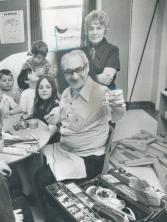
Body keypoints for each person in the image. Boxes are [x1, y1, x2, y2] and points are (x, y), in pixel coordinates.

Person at [34, 50, 126, 222]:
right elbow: (69, 115)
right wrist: (58, 112)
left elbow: (117, 115)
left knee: (39, 178)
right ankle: (59, 202)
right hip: (66, 149)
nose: (75, 76)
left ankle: (60, 217)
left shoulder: (101, 92)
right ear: (64, 73)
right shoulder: (67, 92)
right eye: (69, 72)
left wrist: (119, 106)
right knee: (35, 156)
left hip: (88, 158)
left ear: (87, 67)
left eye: (79, 69)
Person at [83, 10, 120, 90]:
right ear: (86, 31)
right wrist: (97, 78)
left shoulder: (112, 50)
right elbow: (75, 78)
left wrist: (85, 78)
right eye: (91, 29)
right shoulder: (82, 52)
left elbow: (106, 79)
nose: (94, 32)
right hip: (85, 95)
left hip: (106, 95)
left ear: (105, 30)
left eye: (99, 28)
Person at [33, 75, 60, 143]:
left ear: (53, 89)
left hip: (50, 144)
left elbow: (48, 134)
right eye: (41, 87)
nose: (44, 90)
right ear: (37, 90)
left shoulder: (56, 107)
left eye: (48, 87)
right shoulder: (38, 105)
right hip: (38, 139)